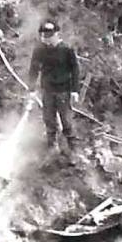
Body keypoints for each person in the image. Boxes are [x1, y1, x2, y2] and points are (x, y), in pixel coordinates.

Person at [29, 22, 80, 156]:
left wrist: (75, 90)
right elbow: (34, 68)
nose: (46, 40)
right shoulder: (39, 50)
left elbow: (75, 70)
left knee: (66, 121)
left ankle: (74, 150)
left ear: (57, 34)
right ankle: (52, 148)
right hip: (47, 90)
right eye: (44, 37)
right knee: (49, 120)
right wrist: (31, 89)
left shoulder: (66, 49)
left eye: (49, 37)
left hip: (63, 90)